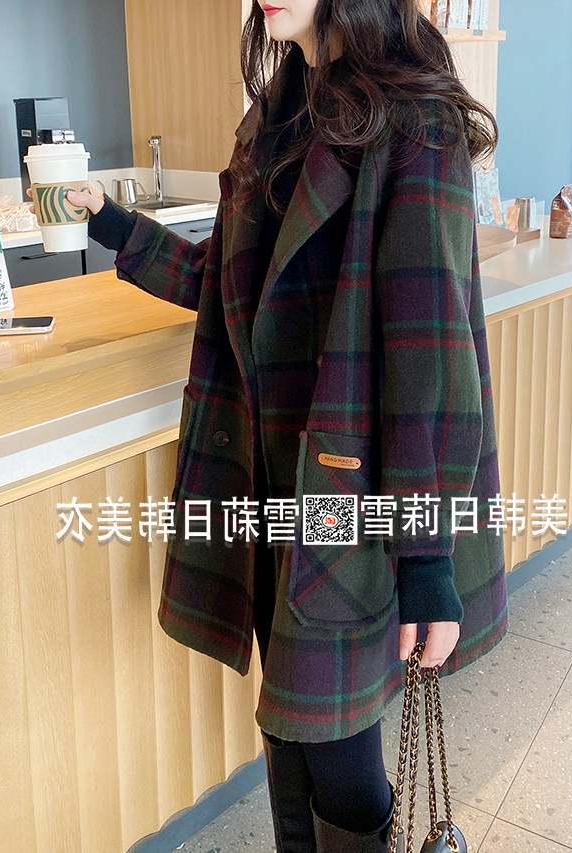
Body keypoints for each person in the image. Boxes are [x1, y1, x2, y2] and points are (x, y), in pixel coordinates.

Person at [42, 2, 508, 850]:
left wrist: (427, 553)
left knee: (333, 744)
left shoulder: (413, 116)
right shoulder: (278, 115)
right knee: (289, 732)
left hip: (351, 497)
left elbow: (429, 350)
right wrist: (115, 224)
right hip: (270, 484)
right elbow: (225, 281)